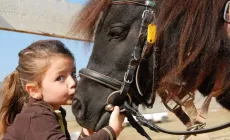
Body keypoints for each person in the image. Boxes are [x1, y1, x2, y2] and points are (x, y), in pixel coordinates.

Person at [0, 40, 124, 140]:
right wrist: (111, 131)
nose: (72, 82)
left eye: (73, 74)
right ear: (34, 90)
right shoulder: (36, 117)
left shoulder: (54, 112)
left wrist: (85, 135)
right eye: (60, 78)